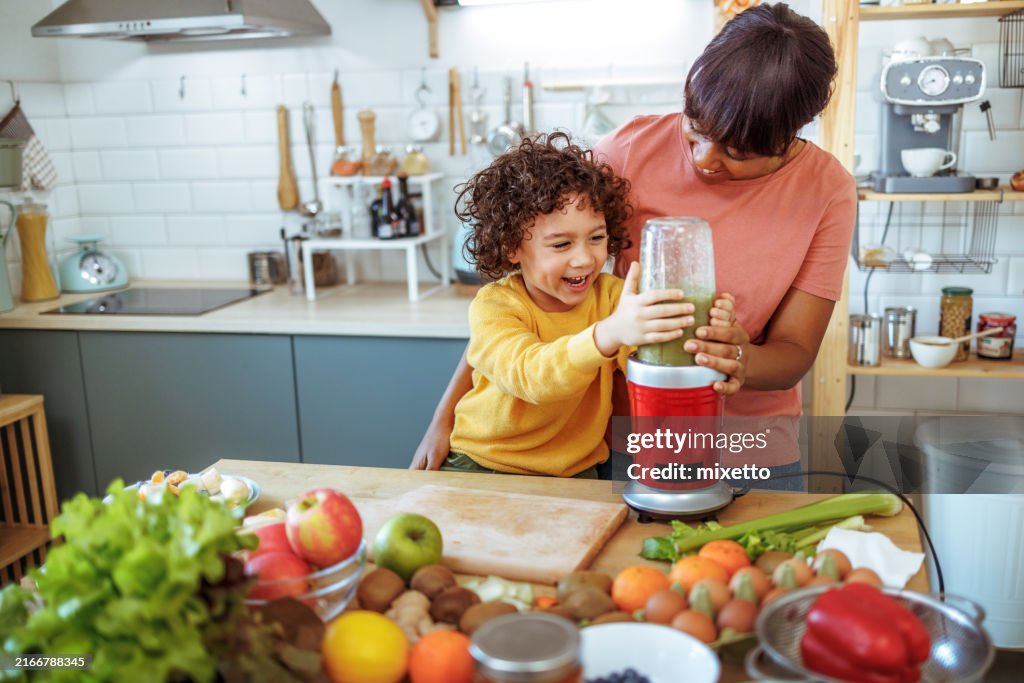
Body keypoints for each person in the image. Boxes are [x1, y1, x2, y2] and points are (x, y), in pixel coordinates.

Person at [412, 4, 855, 478]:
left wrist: (738, 352)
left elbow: (792, 355)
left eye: (736, 151)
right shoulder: (629, 152)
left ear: (792, 132)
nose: (704, 159)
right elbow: (517, 310)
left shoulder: (827, 190)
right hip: (636, 437)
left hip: (753, 444)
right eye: (696, 129)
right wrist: (444, 418)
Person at [438, 132, 733, 477]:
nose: (584, 259)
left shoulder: (611, 298)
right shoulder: (495, 306)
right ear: (511, 247)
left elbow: (658, 360)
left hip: (575, 470)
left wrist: (705, 329)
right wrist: (608, 334)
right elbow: (531, 377)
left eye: (596, 238)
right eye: (561, 244)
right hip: (485, 463)